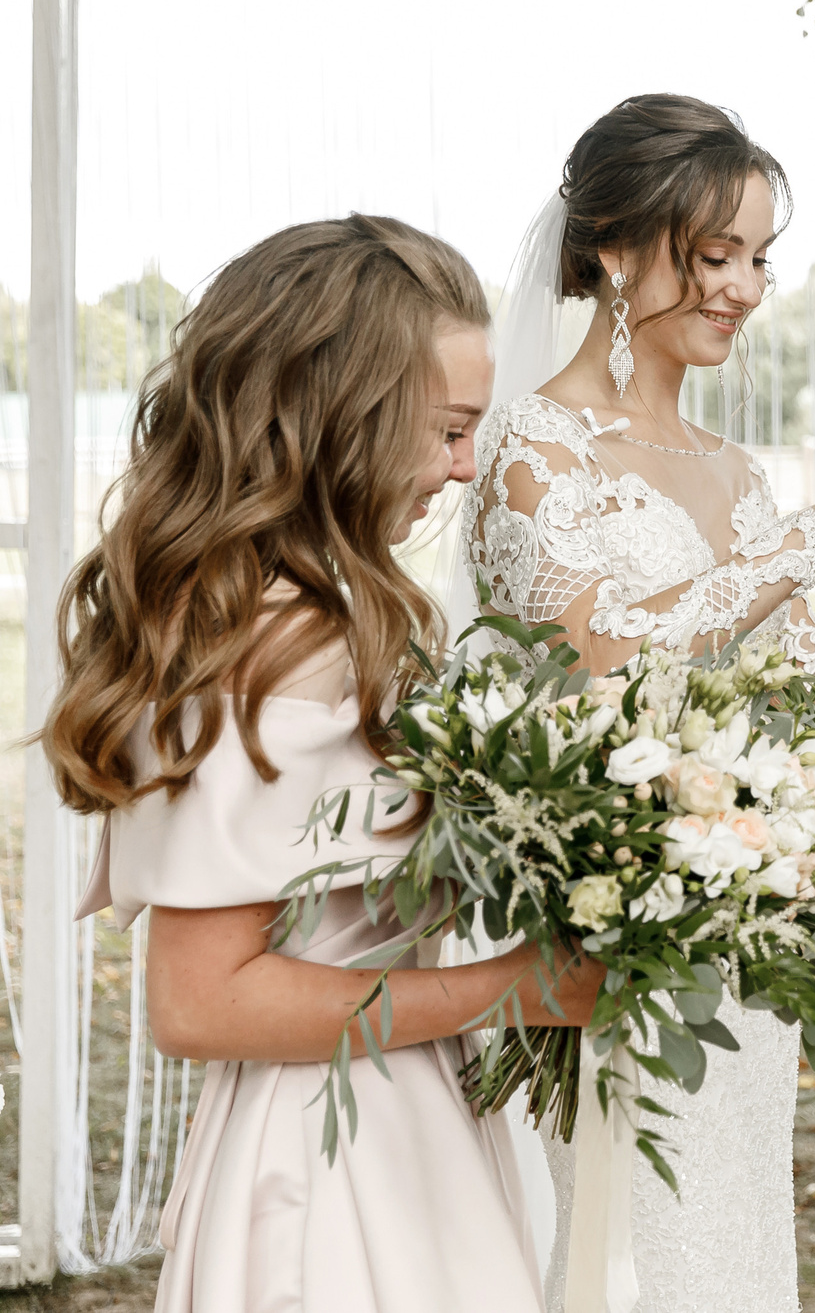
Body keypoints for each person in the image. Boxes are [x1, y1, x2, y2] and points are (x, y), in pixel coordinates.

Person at [465, 94, 815, 1313]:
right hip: (606, 963)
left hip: (732, 973)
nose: (743, 287)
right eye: (713, 253)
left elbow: (804, 725)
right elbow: (605, 657)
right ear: (614, 251)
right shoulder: (532, 446)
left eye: (760, 257)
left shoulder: (735, 474)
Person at [46, 215, 596, 1313]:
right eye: (445, 429)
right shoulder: (281, 640)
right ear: (335, 415)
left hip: (393, 1111)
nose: (467, 465)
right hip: (331, 1159)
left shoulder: (305, 611)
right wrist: (517, 988)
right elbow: (202, 1002)